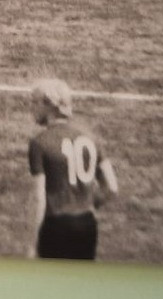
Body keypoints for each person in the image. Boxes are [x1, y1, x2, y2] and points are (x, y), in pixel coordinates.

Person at [26, 79, 119, 261]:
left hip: (55, 226)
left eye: (35, 102)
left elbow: (38, 199)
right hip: (87, 225)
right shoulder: (90, 138)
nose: (31, 107)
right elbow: (112, 188)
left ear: (49, 105)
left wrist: (31, 244)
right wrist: (90, 205)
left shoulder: (40, 143)